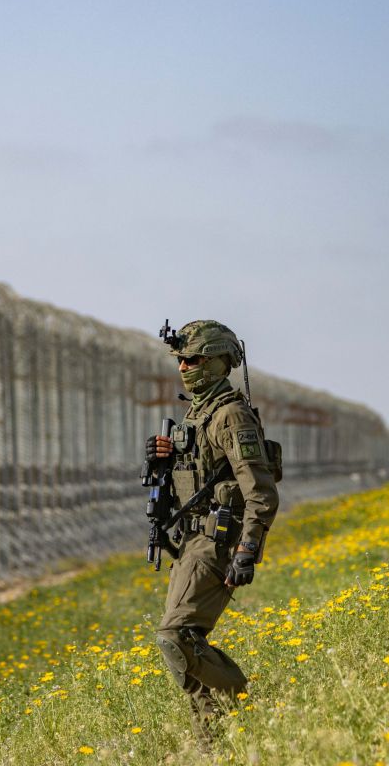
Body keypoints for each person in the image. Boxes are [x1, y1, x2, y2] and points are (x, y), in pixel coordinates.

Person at [144, 319, 280, 748]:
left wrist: (248, 548)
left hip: (218, 541)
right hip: (191, 540)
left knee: (176, 637)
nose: (185, 366)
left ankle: (243, 699)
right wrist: (160, 457)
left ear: (221, 361)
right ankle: (214, 744)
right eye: (181, 359)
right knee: (187, 643)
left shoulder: (230, 415)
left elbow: (261, 492)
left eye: (196, 358)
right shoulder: (198, 412)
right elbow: (191, 472)